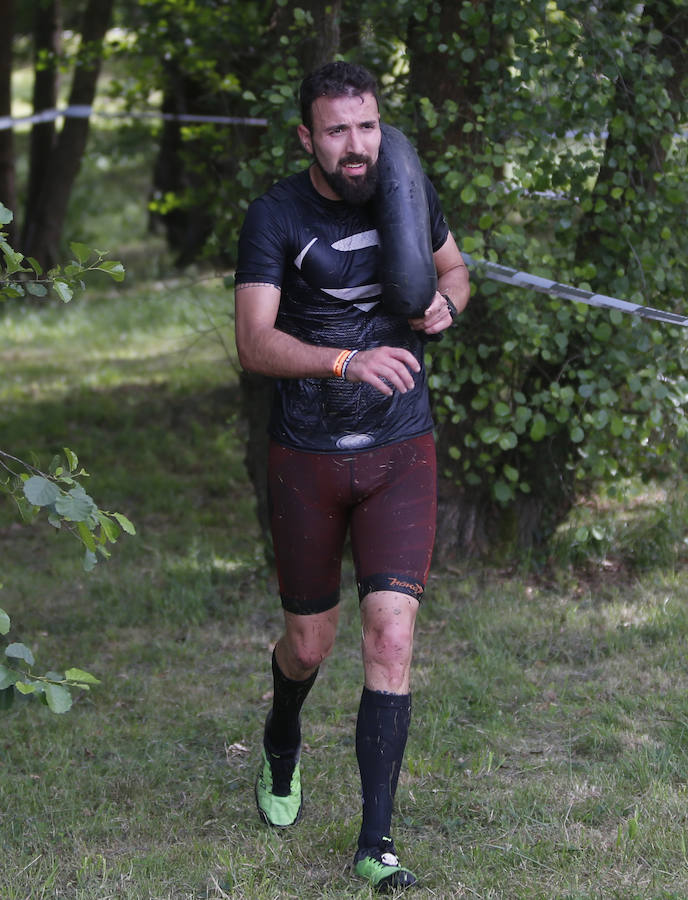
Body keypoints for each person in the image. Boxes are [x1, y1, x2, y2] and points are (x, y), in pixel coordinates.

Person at [234, 60, 470, 893]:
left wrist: (449, 302)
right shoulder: (275, 216)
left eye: (367, 125)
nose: (357, 145)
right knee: (310, 645)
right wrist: (344, 361)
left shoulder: (405, 188)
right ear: (308, 137)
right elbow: (254, 342)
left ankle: (377, 843)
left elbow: (453, 271)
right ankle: (282, 734)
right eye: (337, 130)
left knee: (392, 633)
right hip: (308, 456)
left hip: (402, 448)